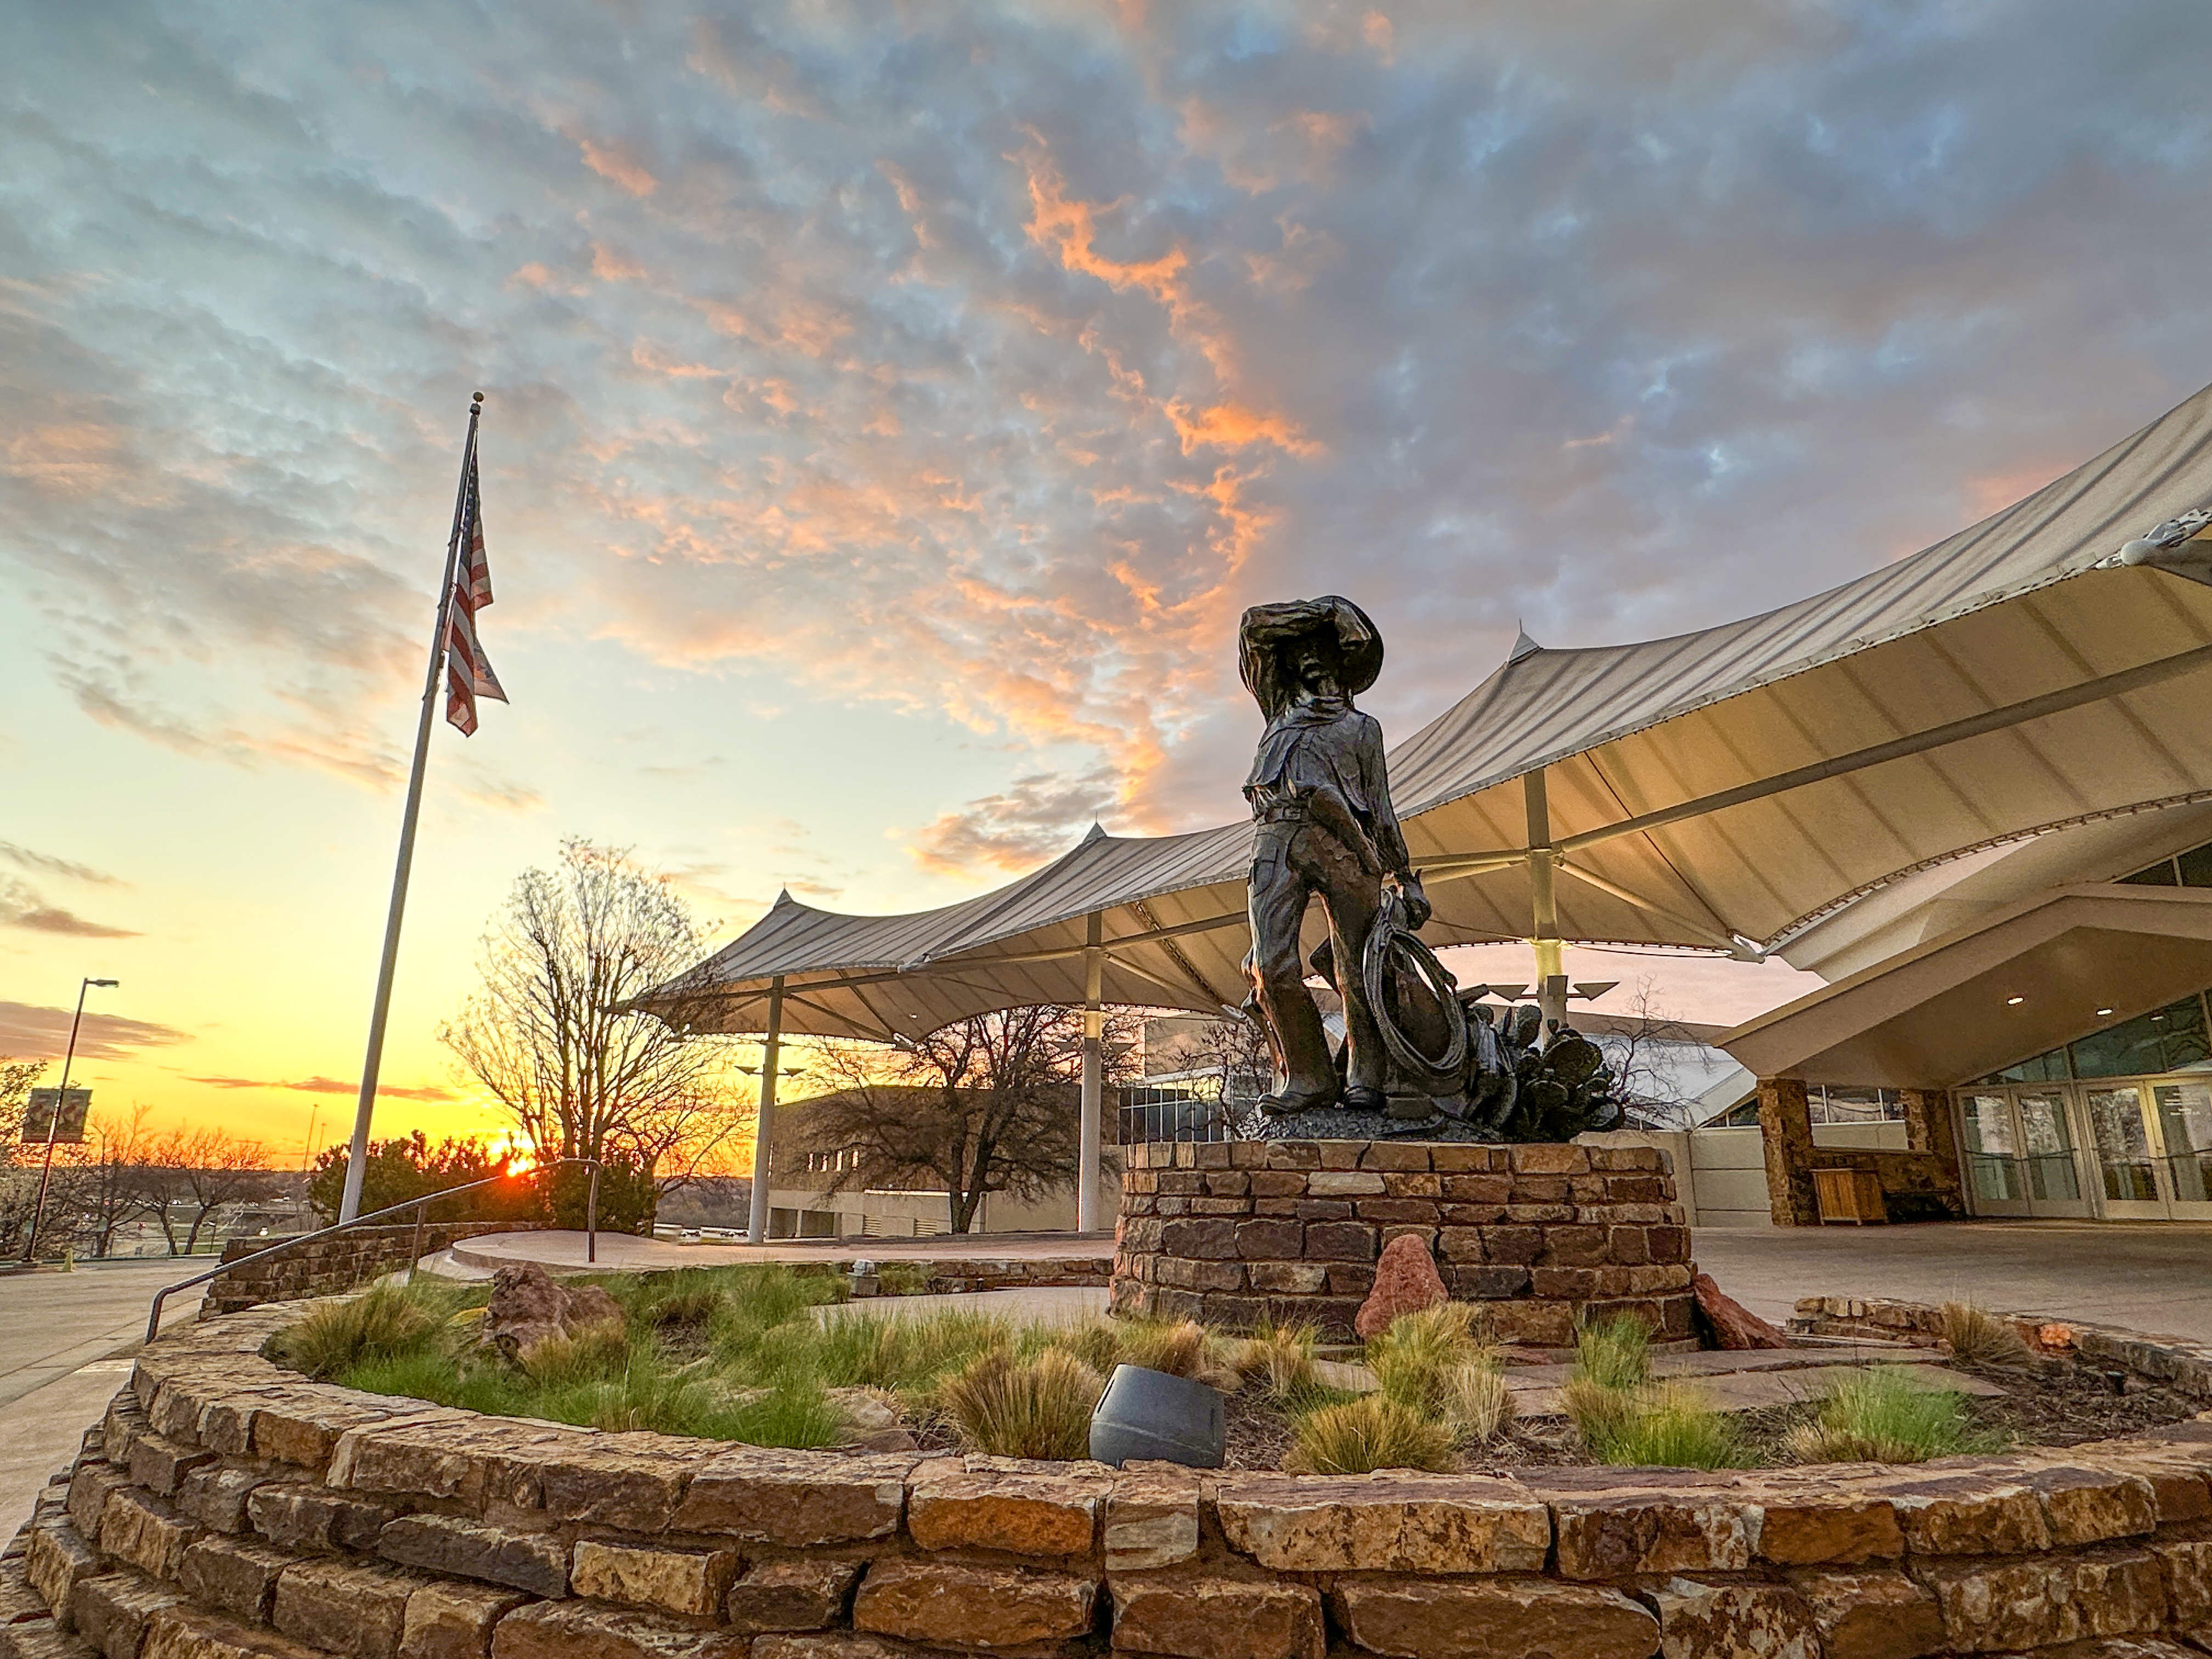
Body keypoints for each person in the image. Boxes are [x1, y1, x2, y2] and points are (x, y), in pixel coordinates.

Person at [1239, 597, 1429, 1115]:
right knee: (1273, 967)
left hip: (1348, 844)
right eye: (1301, 652)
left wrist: (1405, 877)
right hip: (1276, 838)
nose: (1311, 659)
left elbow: (1382, 808)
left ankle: (1365, 1074)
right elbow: (1254, 626)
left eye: (1323, 649)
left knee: (1357, 965)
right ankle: (1308, 1077)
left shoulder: (1363, 729)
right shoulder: (1279, 707)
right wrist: (1326, 613)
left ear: (1345, 659)